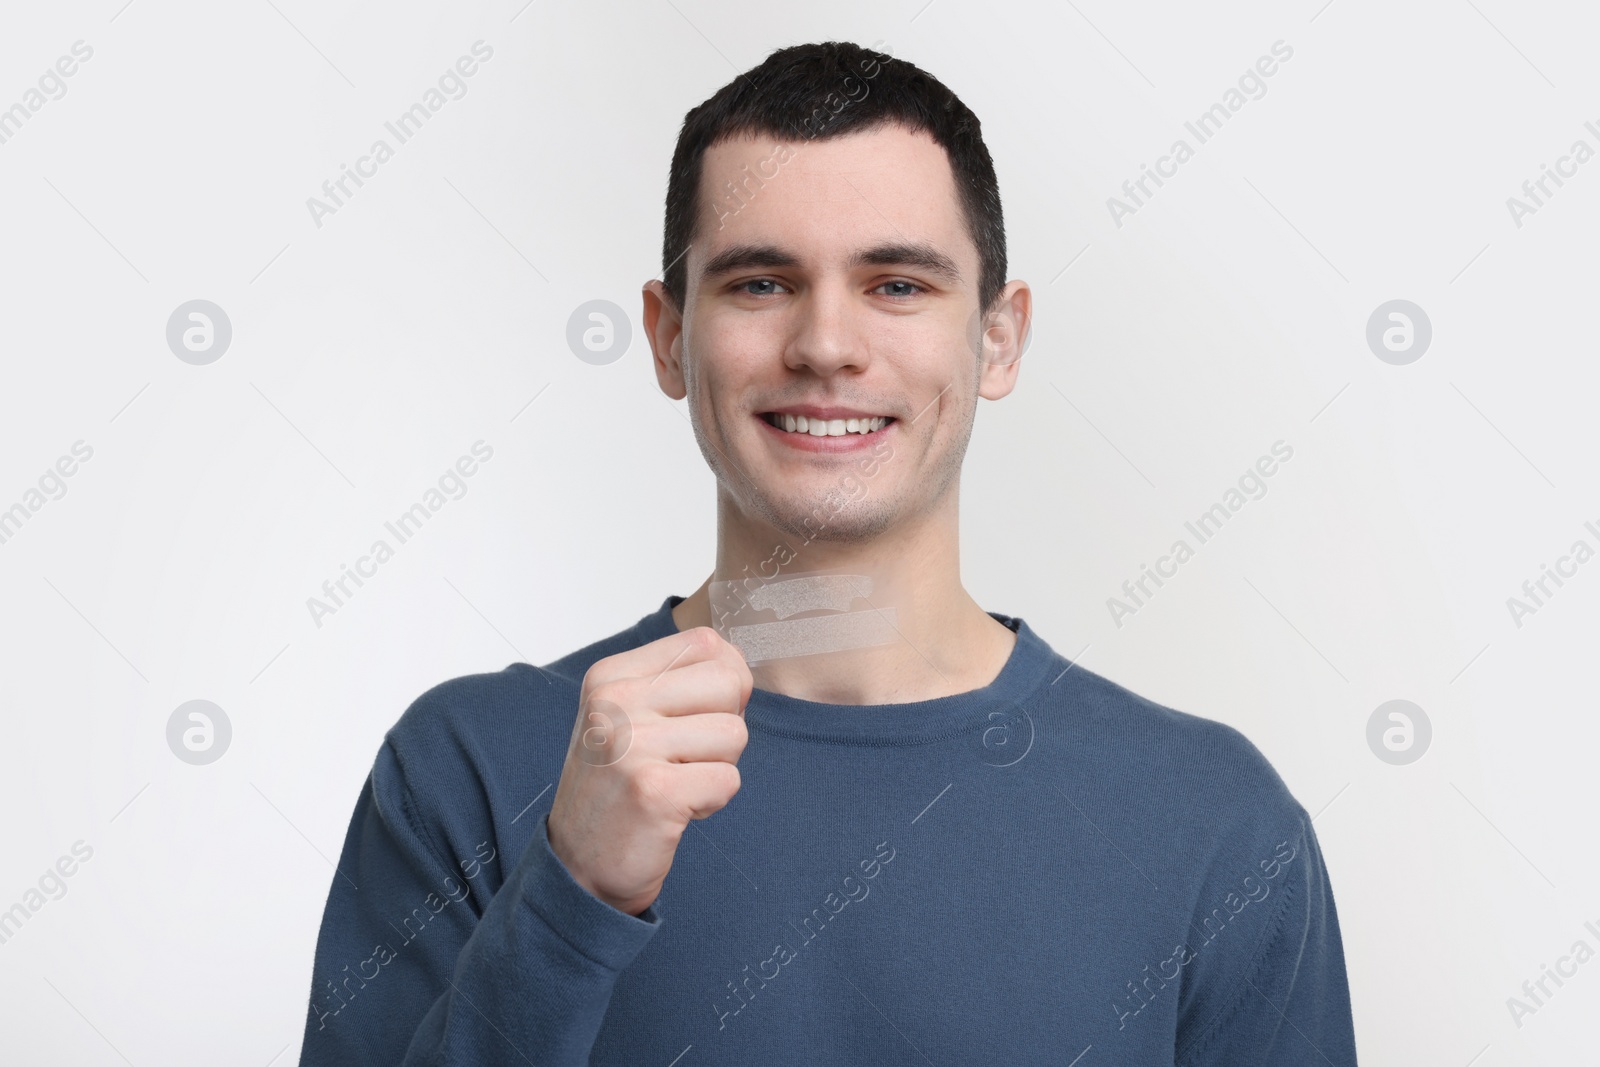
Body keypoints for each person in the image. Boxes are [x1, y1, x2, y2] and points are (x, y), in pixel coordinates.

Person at [297, 40, 1358, 1065]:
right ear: (670, 337)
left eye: (897, 283)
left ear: (998, 337)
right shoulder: (467, 770)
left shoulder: (1214, 820)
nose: (825, 344)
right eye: (760, 283)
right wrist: (572, 893)